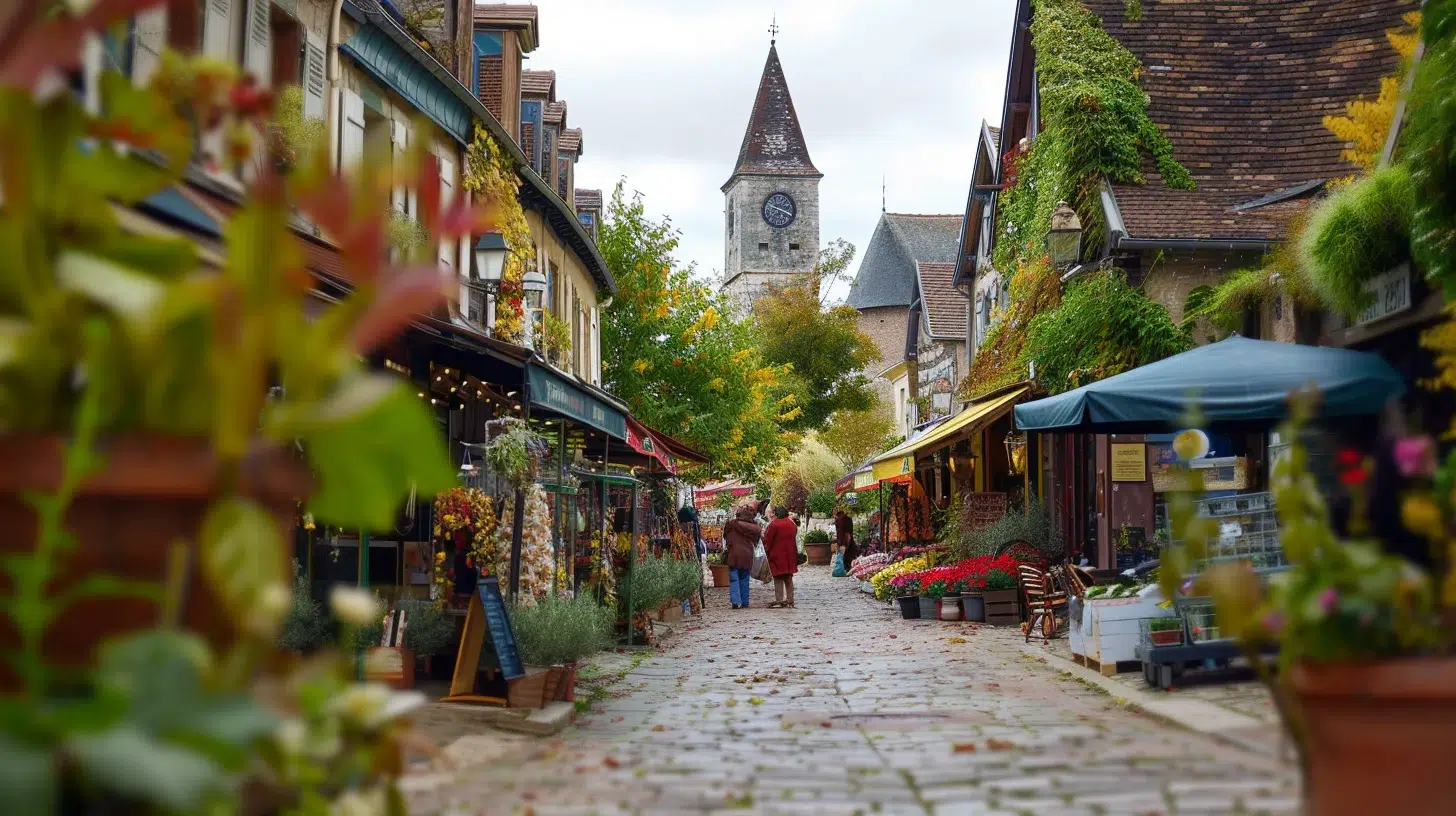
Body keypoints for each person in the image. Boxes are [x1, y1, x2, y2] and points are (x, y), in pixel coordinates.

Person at [722, 504, 761, 609]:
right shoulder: (755, 527)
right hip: (747, 555)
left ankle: (735, 601)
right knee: (744, 578)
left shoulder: (732, 524)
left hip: (733, 554)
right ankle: (745, 601)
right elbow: (757, 541)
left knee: (734, 578)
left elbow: (725, 536)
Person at [762, 505, 799, 608]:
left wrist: (766, 551)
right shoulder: (792, 524)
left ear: (777, 514)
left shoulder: (774, 525)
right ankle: (790, 599)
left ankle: (779, 600)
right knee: (788, 577)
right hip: (790, 554)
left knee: (778, 578)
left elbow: (768, 540)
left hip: (777, 554)